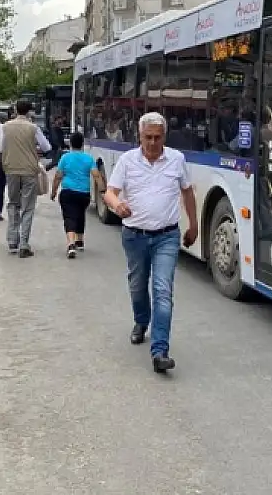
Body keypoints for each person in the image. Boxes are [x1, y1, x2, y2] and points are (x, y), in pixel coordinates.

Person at [103, 112, 199, 374]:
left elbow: (187, 192)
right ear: (140, 136)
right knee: (137, 285)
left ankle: (160, 351)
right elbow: (110, 192)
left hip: (166, 236)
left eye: (158, 137)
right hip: (134, 236)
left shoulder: (176, 159)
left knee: (163, 290)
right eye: (148, 137)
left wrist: (194, 224)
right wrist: (117, 205)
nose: (153, 143)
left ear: (164, 137)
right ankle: (140, 321)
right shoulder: (127, 161)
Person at [0, 100, 51, 257]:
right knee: (28, 207)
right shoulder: (33, 128)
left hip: (11, 169)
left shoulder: (5, 127)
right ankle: (24, 244)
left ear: (15, 110)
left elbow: (0, 148)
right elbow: (47, 147)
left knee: (13, 204)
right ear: (29, 112)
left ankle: (12, 240)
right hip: (29, 170)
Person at [50, 131, 101, 259]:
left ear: (70, 144)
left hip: (67, 192)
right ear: (82, 144)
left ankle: (71, 244)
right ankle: (80, 240)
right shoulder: (88, 158)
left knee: (69, 217)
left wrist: (53, 191)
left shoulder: (65, 158)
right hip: (84, 194)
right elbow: (96, 175)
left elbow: (58, 176)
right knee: (80, 214)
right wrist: (103, 191)